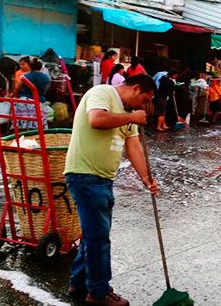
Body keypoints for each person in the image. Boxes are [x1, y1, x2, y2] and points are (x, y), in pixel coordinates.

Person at [64, 74, 158, 305]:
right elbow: (96, 119)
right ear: (135, 89)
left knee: (92, 235)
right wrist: (131, 116)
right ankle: (98, 292)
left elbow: (133, 146)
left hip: (104, 179)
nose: (144, 106)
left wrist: (146, 178)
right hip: (85, 175)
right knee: (98, 237)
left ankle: (78, 283)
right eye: (145, 99)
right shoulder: (102, 93)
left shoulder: (129, 114)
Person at [12, 58, 51, 130]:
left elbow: (17, 88)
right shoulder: (46, 78)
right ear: (41, 67)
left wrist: (13, 96)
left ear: (30, 67)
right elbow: (46, 90)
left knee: (21, 119)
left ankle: (22, 130)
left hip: (24, 102)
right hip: (39, 102)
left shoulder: (25, 76)